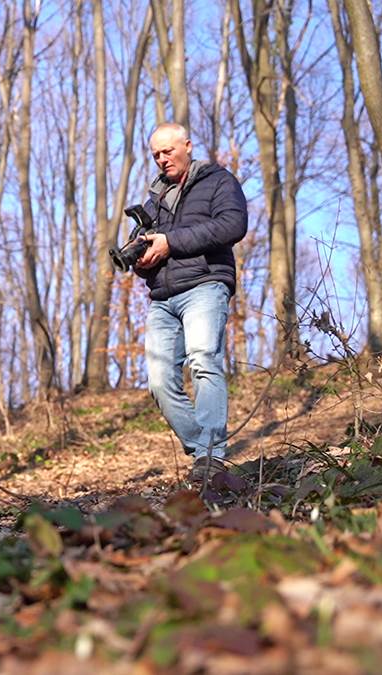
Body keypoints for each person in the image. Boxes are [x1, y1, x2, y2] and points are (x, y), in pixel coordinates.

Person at [133, 123, 247, 483]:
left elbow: (232, 225)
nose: (162, 159)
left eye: (167, 151)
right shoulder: (155, 200)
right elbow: (153, 248)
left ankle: (210, 457)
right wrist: (141, 258)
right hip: (163, 297)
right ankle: (203, 448)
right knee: (159, 380)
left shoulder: (218, 181)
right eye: (155, 155)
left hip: (205, 284)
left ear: (187, 145)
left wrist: (171, 242)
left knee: (202, 360)